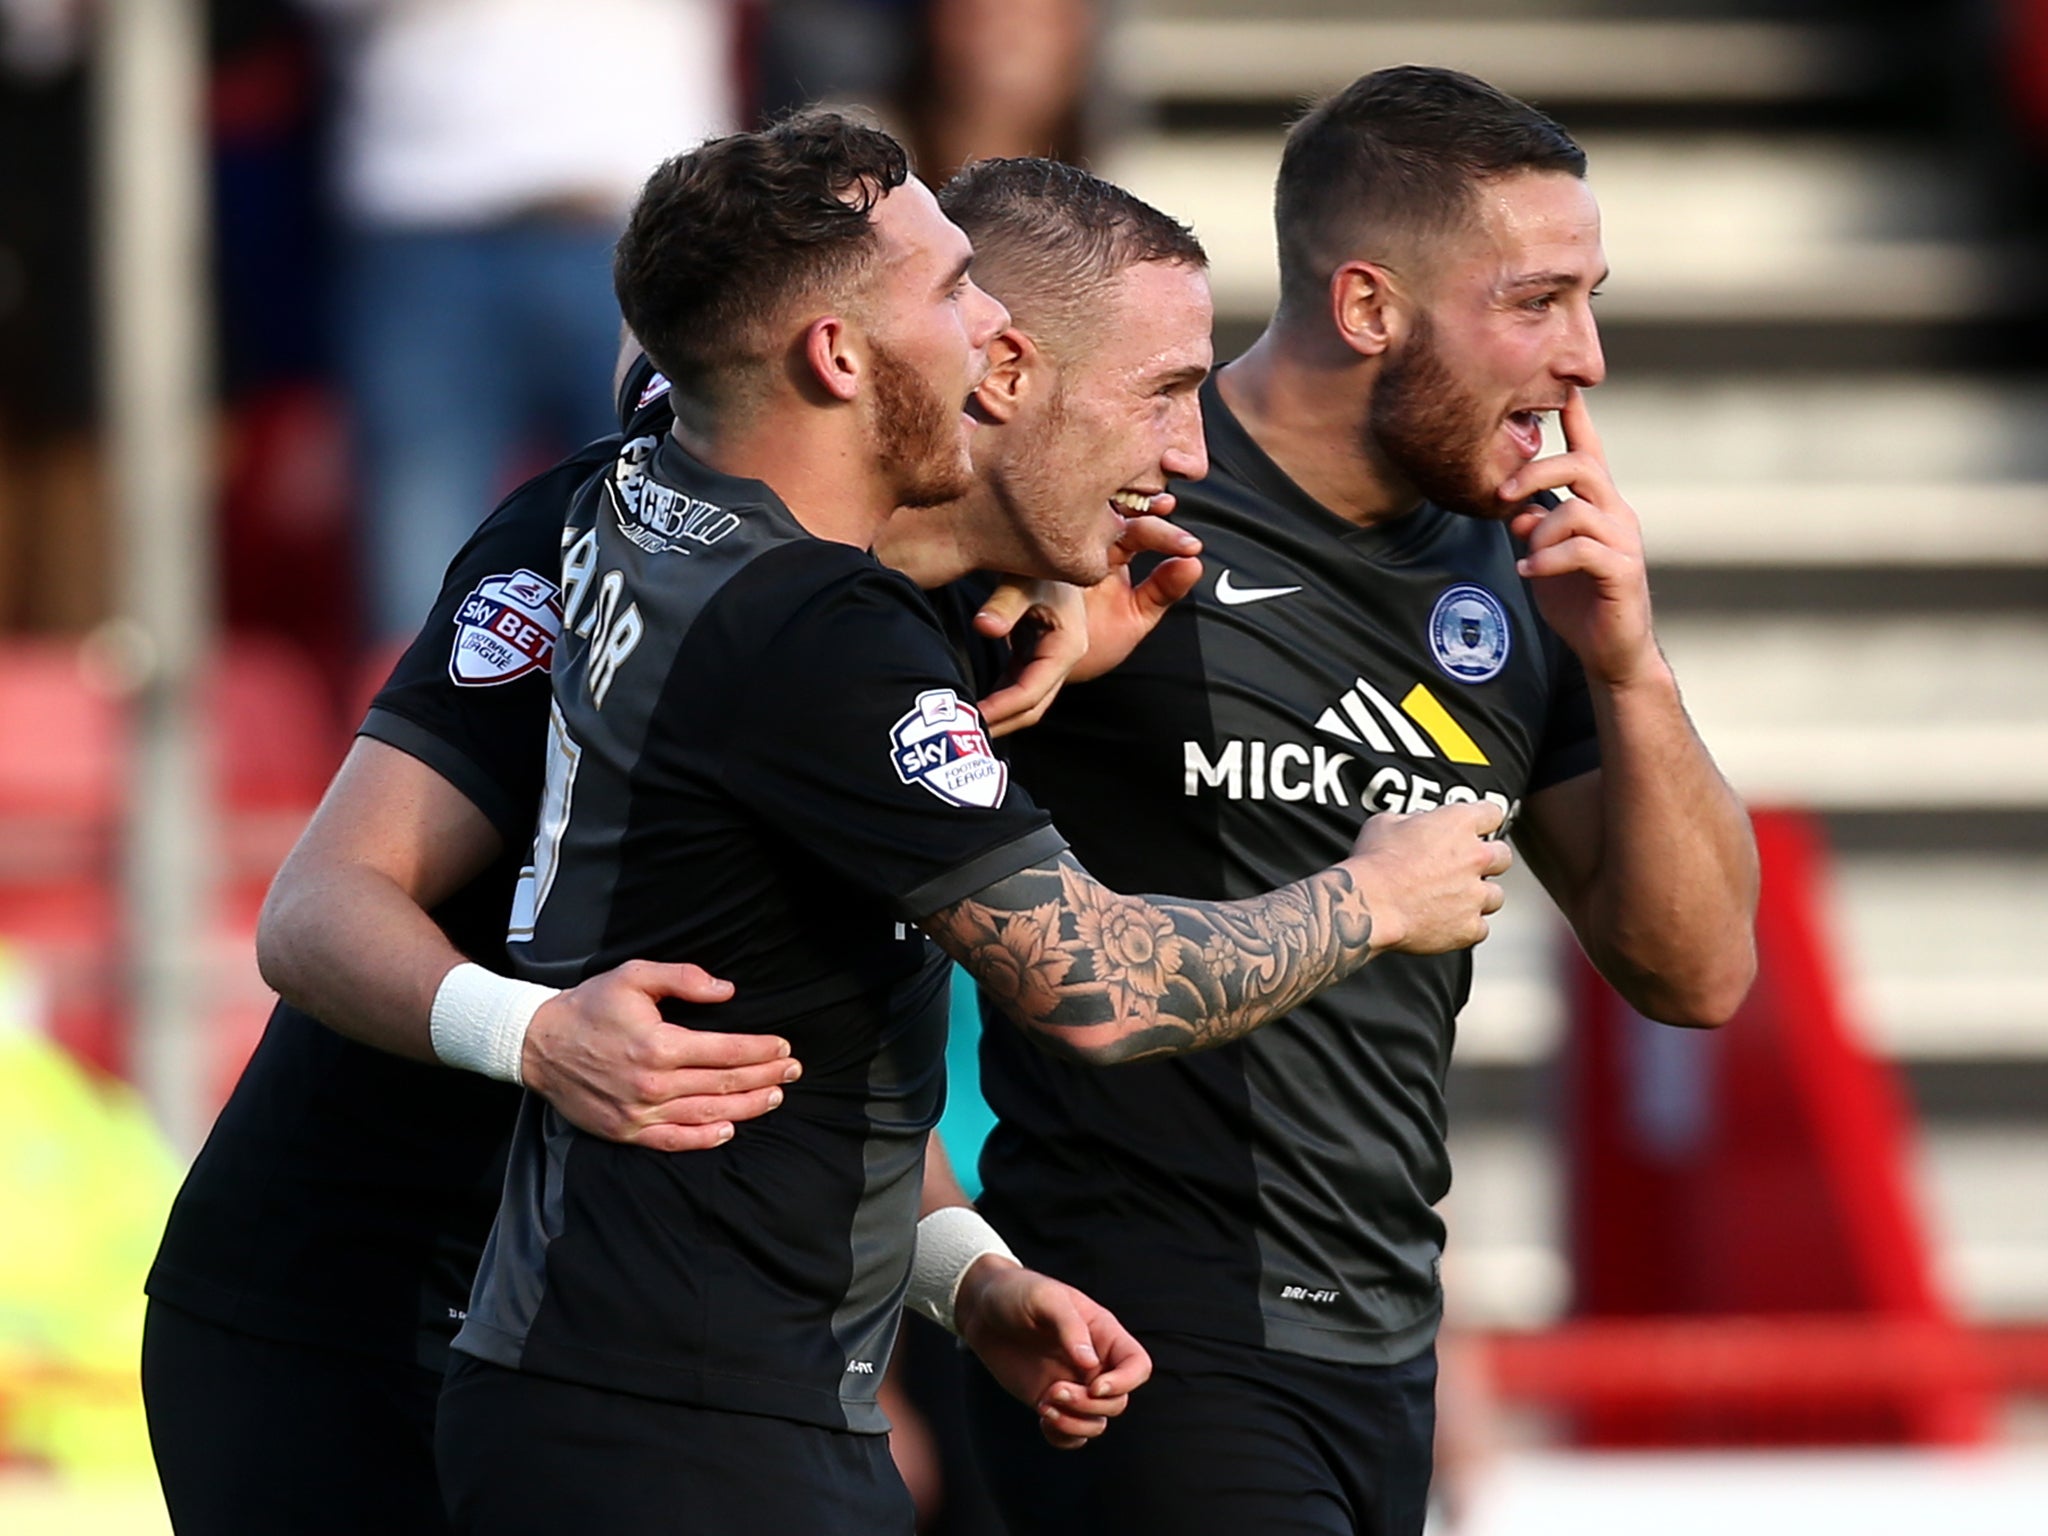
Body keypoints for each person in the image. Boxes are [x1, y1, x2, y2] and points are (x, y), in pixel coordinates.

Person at [432, 113, 1511, 1535]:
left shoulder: (664, 489)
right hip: (678, 1418)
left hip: (636, 1384)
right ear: (839, 357)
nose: (991, 332)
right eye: (957, 298)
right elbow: (1101, 987)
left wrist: (967, 1279)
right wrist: (1376, 897)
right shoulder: (821, 632)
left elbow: (691, 328)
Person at [142, 148, 1211, 1534]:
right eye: (1164, 396)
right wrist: (536, 1036)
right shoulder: (597, 543)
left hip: (559, 1355)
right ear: (992, 368)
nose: (1186, 456)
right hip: (344, 1315)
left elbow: (809, 1027)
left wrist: (962, 1276)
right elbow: (319, 912)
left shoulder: (899, 633)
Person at [965, 65, 1761, 1536]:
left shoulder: (1521, 573)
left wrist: (1633, 671)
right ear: (1368, 307)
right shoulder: (1121, 499)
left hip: (1383, 1346)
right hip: (1136, 1329)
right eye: (1534, 302)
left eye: (1592, 299)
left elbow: (1700, 971)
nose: (1585, 357)